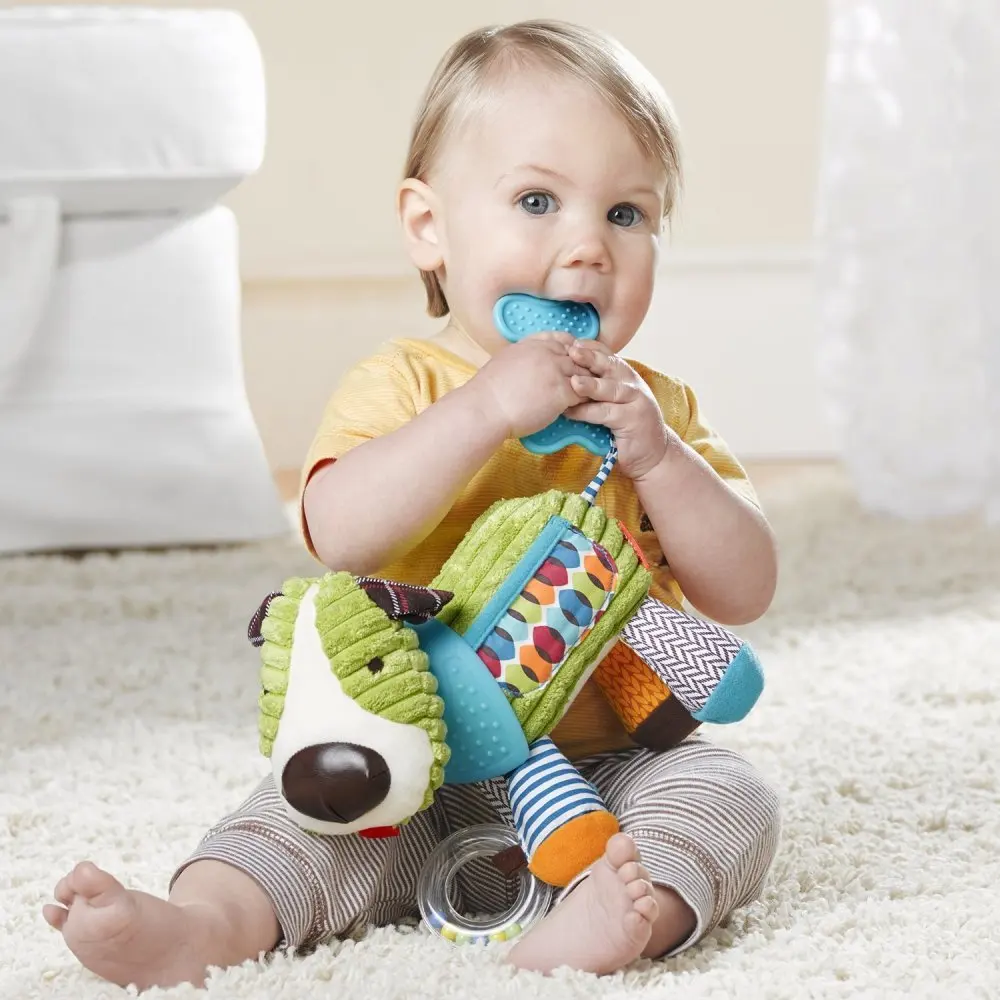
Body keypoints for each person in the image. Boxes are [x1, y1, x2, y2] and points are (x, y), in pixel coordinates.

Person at [44, 19, 781, 990]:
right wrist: (484, 411)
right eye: (535, 200)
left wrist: (661, 457)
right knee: (300, 814)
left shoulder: (657, 411)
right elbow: (339, 532)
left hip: (609, 772)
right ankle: (196, 921)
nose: (588, 247)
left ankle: (614, 916)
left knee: (730, 796)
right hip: (409, 762)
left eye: (627, 214)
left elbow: (745, 586)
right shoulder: (407, 386)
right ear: (428, 226)